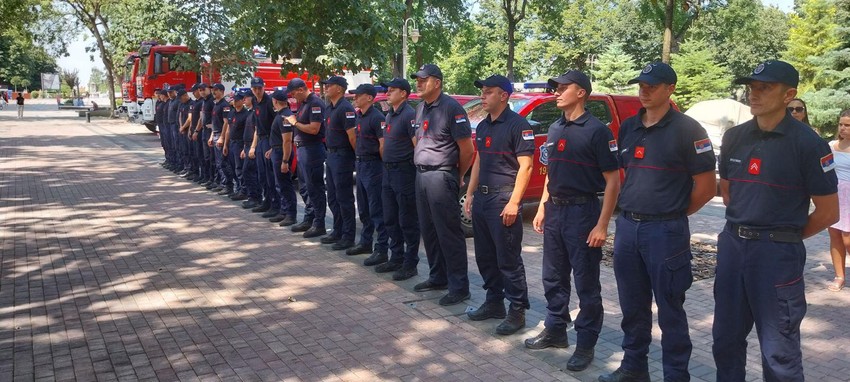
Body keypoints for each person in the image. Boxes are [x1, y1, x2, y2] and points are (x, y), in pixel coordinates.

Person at [713, 60, 839, 381]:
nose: (754, 94)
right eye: (752, 87)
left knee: (778, 352)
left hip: (776, 258)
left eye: (765, 88)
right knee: (725, 342)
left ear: (789, 95)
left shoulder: (809, 144)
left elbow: (828, 212)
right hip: (732, 248)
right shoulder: (735, 137)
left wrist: (785, 236)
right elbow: (729, 194)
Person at [600, 62, 717, 382]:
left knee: (670, 309)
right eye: (641, 84)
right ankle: (633, 368)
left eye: (652, 85)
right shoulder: (628, 127)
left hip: (665, 232)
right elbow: (627, 176)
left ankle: (675, 375)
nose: (644, 90)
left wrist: (672, 214)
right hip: (627, 229)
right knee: (632, 306)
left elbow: (707, 188)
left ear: (670, 89)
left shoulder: (689, 130)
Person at [525, 70, 620, 372]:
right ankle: (555, 331)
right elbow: (551, 173)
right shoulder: (554, 128)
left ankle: (586, 344)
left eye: (564, 87)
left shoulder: (597, 131)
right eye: (556, 87)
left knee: (586, 283)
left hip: (583, 213)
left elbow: (613, 180)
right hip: (555, 211)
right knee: (552, 276)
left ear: (581, 92)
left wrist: (602, 224)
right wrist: (542, 207)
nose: (557, 91)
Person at [463, 74, 533, 335]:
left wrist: (515, 202)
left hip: (503, 199)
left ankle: (517, 311)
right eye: (482, 91)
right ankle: (494, 303)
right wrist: (470, 193)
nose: (482, 95)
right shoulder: (483, 126)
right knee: (485, 256)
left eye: (488, 92)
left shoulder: (518, 125)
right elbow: (479, 160)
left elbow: (526, 167)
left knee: (508, 259)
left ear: (503, 95)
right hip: (482, 199)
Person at [410, 64, 475, 306]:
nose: (418, 83)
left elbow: (467, 149)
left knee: (448, 233)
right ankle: (438, 277)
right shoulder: (420, 108)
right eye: (417, 79)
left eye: (423, 79)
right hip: (422, 175)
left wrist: (458, 174)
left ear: (437, 82)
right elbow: (418, 139)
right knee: (428, 230)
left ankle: (459, 286)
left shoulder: (451, 108)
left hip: (441, 176)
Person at [375, 78, 420, 281]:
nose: (388, 93)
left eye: (392, 90)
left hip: (404, 173)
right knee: (390, 218)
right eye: (388, 90)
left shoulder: (409, 115)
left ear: (403, 93)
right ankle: (396, 257)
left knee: (407, 220)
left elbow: (417, 145)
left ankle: (410, 264)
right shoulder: (390, 114)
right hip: (388, 172)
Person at [349, 84, 390, 266]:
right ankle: (365, 242)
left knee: (376, 210)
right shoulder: (358, 116)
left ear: (369, 98)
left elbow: (382, 144)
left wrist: (384, 168)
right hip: (361, 163)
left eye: (358, 95)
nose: (354, 98)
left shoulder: (377, 118)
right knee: (364, 207)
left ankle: (381, 249)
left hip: (374, 166)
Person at [284, 78, 328, 239]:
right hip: (303, 150)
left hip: (312, 150)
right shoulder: (304, 104)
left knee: (315, 188)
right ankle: (309, 218)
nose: (293, 96)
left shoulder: (315, 103)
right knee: (305, 187)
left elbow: (314, 129)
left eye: (294, 93)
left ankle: (319, 223)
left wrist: (295, 123)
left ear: (302, 89)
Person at [319, 76, 358, 250]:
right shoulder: (329, 108)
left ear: (340, 89)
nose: (326, 87)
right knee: (333, 197)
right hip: (331, 155)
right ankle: (338, 230)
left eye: (330, 85)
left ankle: (348, 236)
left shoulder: (346, 108)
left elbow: (352, 137)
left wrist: (357, 156)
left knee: (344, 198)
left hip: (343, 156)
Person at [246, 77, 279, 218]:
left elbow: (276, 125)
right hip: (260, 139)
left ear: (264, 87)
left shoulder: (269, 102)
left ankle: (275, 205)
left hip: (269, 140)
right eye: (255, 89)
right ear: (252, 89)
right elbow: (256, 127)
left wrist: (273, 145)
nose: (258, 91)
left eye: (260, 88)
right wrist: (253, 146)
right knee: (262, 174)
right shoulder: (254, 101)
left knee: (271, 175)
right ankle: (267, 201)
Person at [268, 89, 298, 227]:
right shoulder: (281, 114)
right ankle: (284, 211)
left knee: (285, 185)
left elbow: (287, 141)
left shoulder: (285, 116)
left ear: (275, 101)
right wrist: (272, 149)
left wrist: (285, 161)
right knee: (279, 184)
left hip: (282, 153)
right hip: (277, 151)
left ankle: (291, 214)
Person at [828, 109, 850, 292]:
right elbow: (825, 169)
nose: (843, 128)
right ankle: (839, 276)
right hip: (834, 194)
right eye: (841, 124)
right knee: (835, 235)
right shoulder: (831, 145)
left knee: (847, 239)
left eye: (847, 125)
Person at [223, 91, 251, 202]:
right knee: (233, 167)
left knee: (240, 168)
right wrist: (225, 144)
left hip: (240, 143)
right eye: (233, 100)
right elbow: (228, 130)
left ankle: (243, 190)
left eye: (236, 100)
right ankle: (238, 188)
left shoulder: (246, 114)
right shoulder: (231, 113)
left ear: (241, 101)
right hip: (232, 143)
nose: (234, 102)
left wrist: (245, 147)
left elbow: (247, 132)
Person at [209, 83, 234, 196]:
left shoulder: (224, 105)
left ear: (222, 91)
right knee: (218, 162)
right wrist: (211, 136)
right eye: (213, 90)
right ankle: (221, 183)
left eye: (216, 90)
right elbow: (214, 123)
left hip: (220, 135)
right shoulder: (216, 104)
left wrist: (222, 137)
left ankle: (228, 185)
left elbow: (226, 123)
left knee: (223, 162)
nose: (214, 92)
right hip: (215, 134)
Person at [238, 92, 262, 207]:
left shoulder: (256, 112)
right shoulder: (249, 113)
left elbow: (257, 131)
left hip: (253, 146)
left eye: (246, 98)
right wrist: (244, 148)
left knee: (249, 172)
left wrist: (252, 147)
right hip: (247, 145)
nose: (244, 100)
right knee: (247, 172)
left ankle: (255, 197)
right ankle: (252, 196)